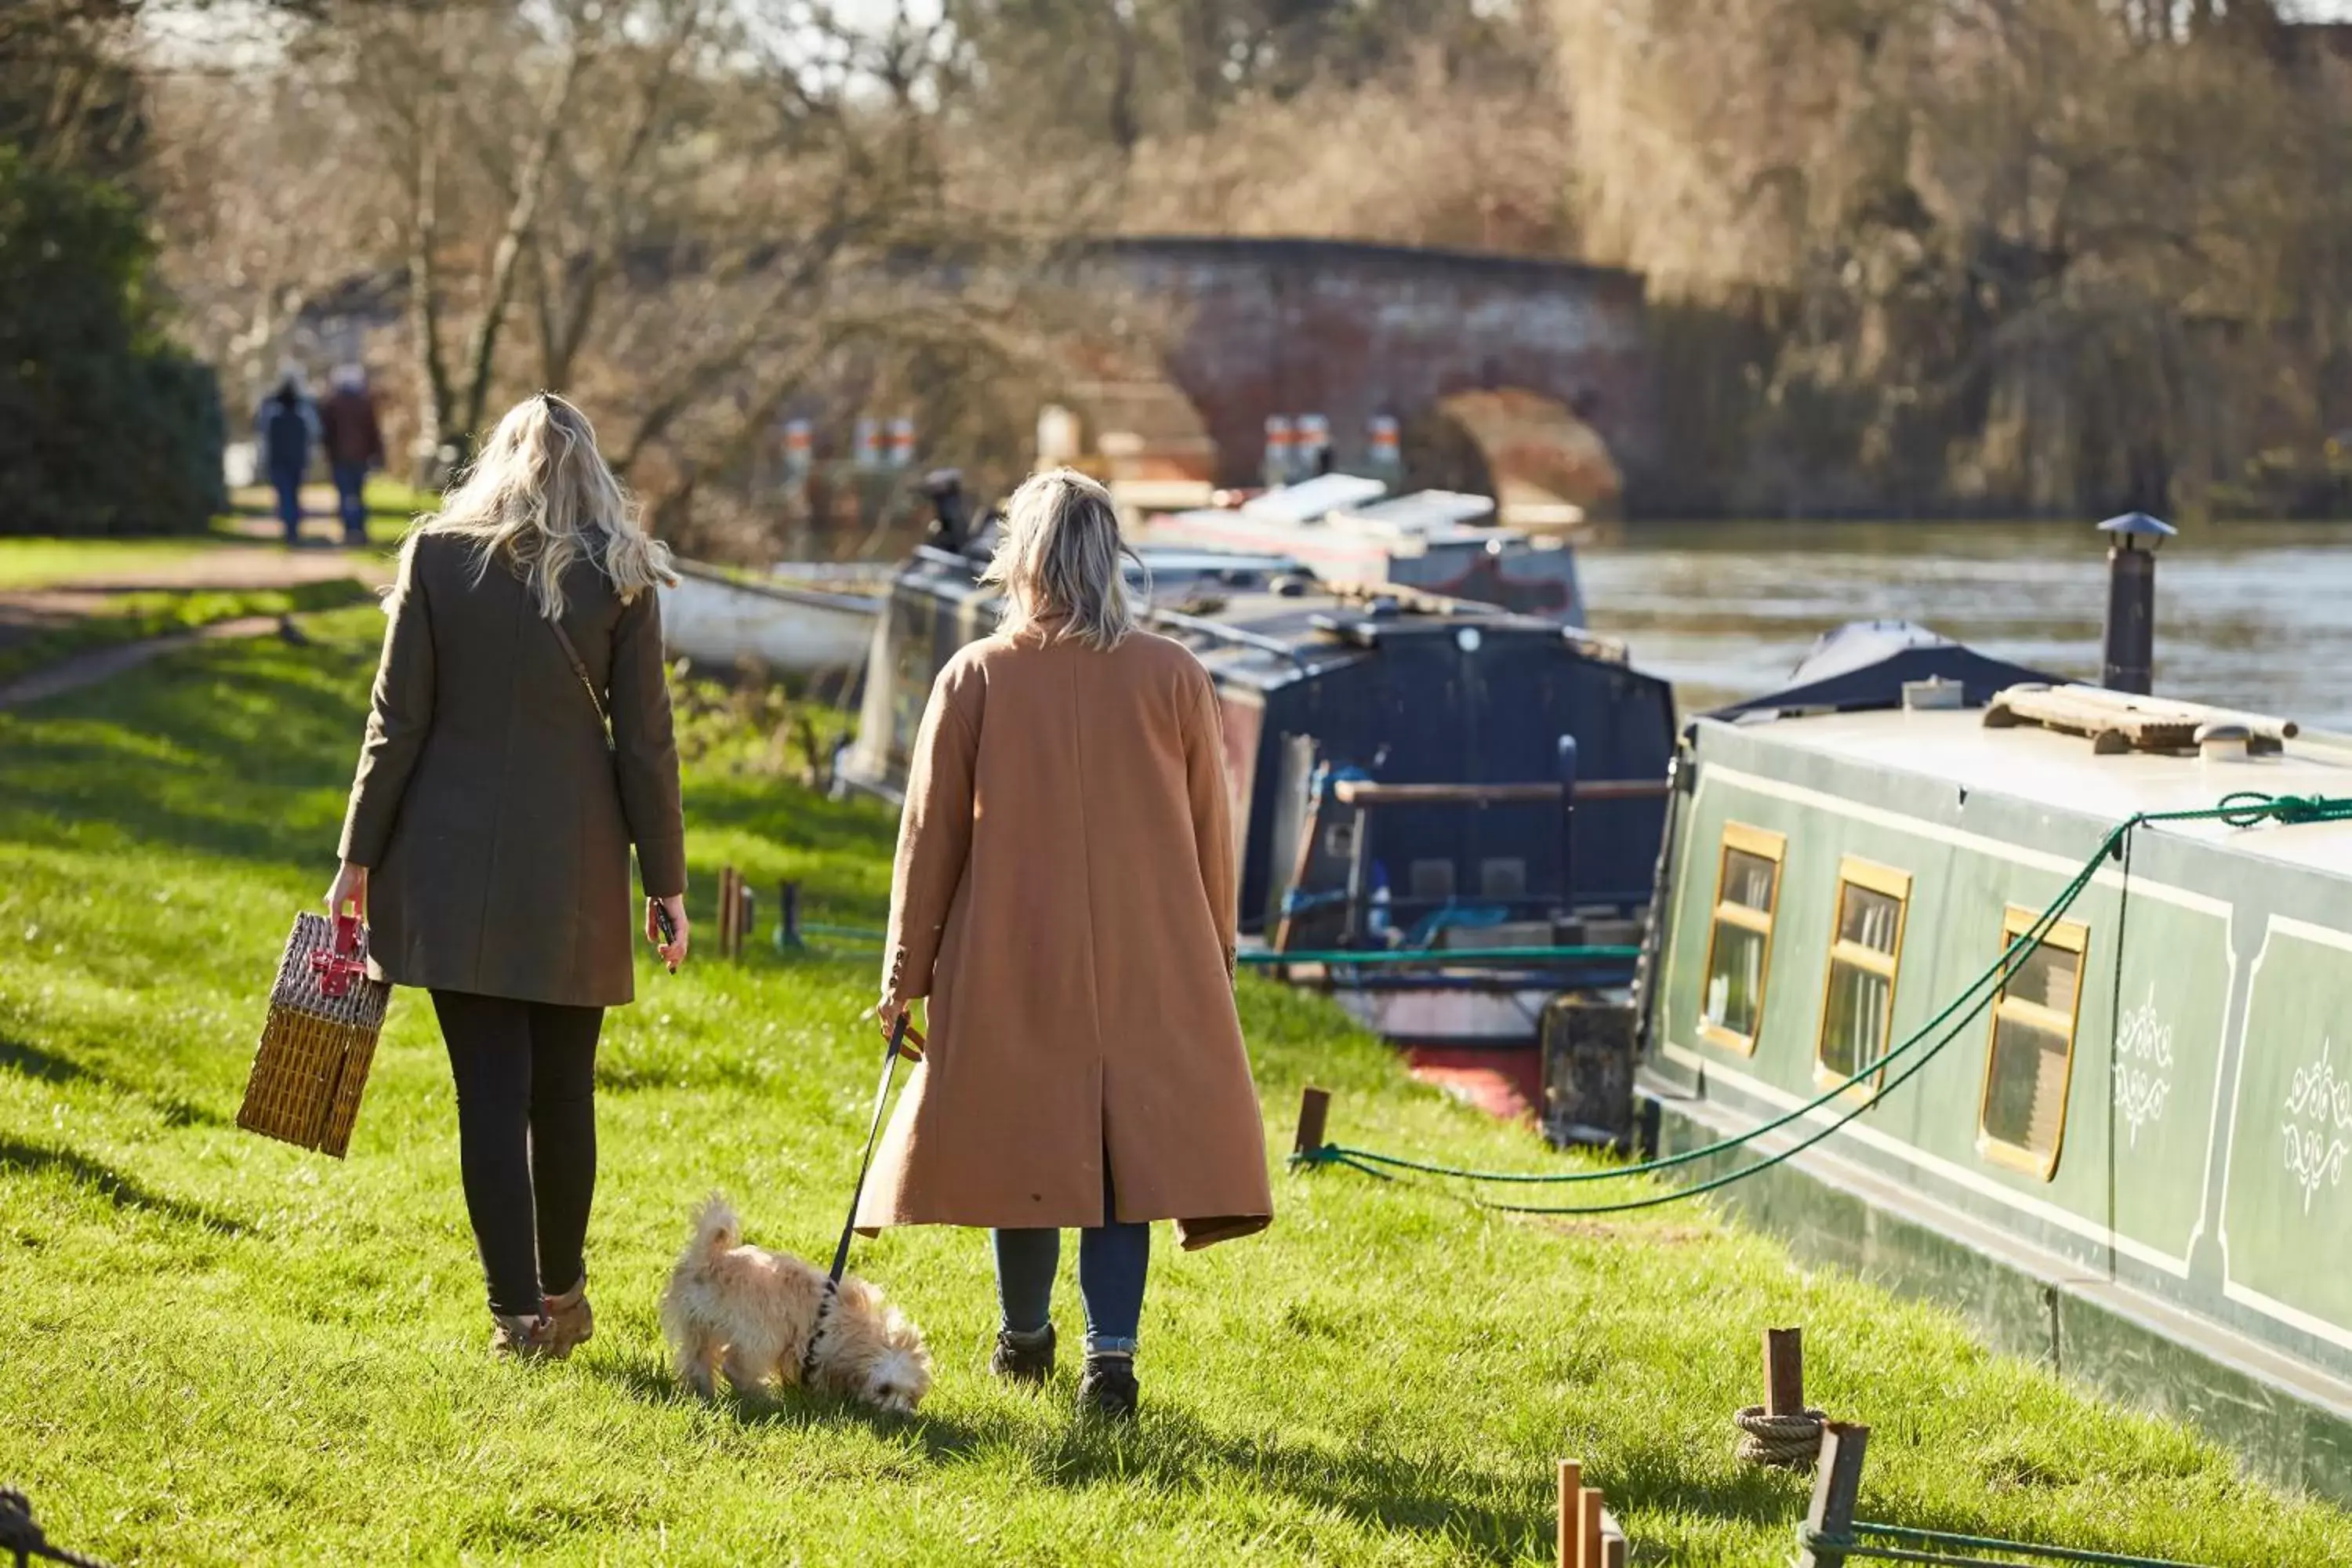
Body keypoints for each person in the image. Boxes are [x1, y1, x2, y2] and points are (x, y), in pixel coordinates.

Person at [859, 466, 1273, 1419]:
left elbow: (929, 841)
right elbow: (1214, 829)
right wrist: (1218, 952)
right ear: (1109, 558)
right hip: (1152, 954)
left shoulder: (978, 675)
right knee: (1121, 1160)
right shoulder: (1174, 675)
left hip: (1011, 952)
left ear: (1024, 560)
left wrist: (903, 979)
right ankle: (1111, 1357)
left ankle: (1024, 1336)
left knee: (1028, 1143)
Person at [328, 392, 691, 1360]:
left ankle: (515, 1315)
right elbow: (647, 746)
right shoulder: (621, 573)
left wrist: (354, 859)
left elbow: (394, 722)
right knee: (564, 1095)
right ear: (591, 472)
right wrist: (666, 882)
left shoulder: (439, 560)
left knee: (488, 1094)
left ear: (497, 461)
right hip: (573, 872)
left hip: (445, 868)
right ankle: (564, 1294)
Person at [321, 365, 387, 546]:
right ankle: (359, 531)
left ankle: (349, 531)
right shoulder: (364, 403)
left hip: (340, 457)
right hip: (361, 457)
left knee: (345, 495)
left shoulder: (333, 403)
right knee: (358, 495)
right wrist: (377, 455)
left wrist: (328, 452)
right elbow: (373, 432)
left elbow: (326, 432)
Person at [257, 369, 319, 544]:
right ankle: (292, 527)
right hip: (296, 457)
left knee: (284, 493)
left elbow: (263, 431)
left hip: (278, 458)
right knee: (293, 493)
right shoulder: (304, 406)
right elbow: (314, 432)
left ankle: (289, 526)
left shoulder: (270, 406)